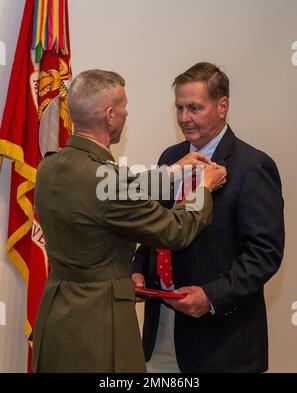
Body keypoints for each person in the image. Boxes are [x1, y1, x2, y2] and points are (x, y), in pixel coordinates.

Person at [31, 69, 226, 373]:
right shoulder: (107, 181)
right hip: (98, 329)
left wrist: (170, 173)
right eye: (123, 106)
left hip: (56, 319)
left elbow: (104, 190)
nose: (126, 113)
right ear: (109, 115)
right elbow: (176, 230)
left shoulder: (50, 166)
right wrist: (204, 189)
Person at [132, 62, 285, 373]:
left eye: (194, 108)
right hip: (159, 331)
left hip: (221, 343)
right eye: (179, 108)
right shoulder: (170, 158)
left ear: (223, 106)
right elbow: (155, 228)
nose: (184, 118)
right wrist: (137, 270)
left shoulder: (253, 166)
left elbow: (264, 253)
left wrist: (211, 297)